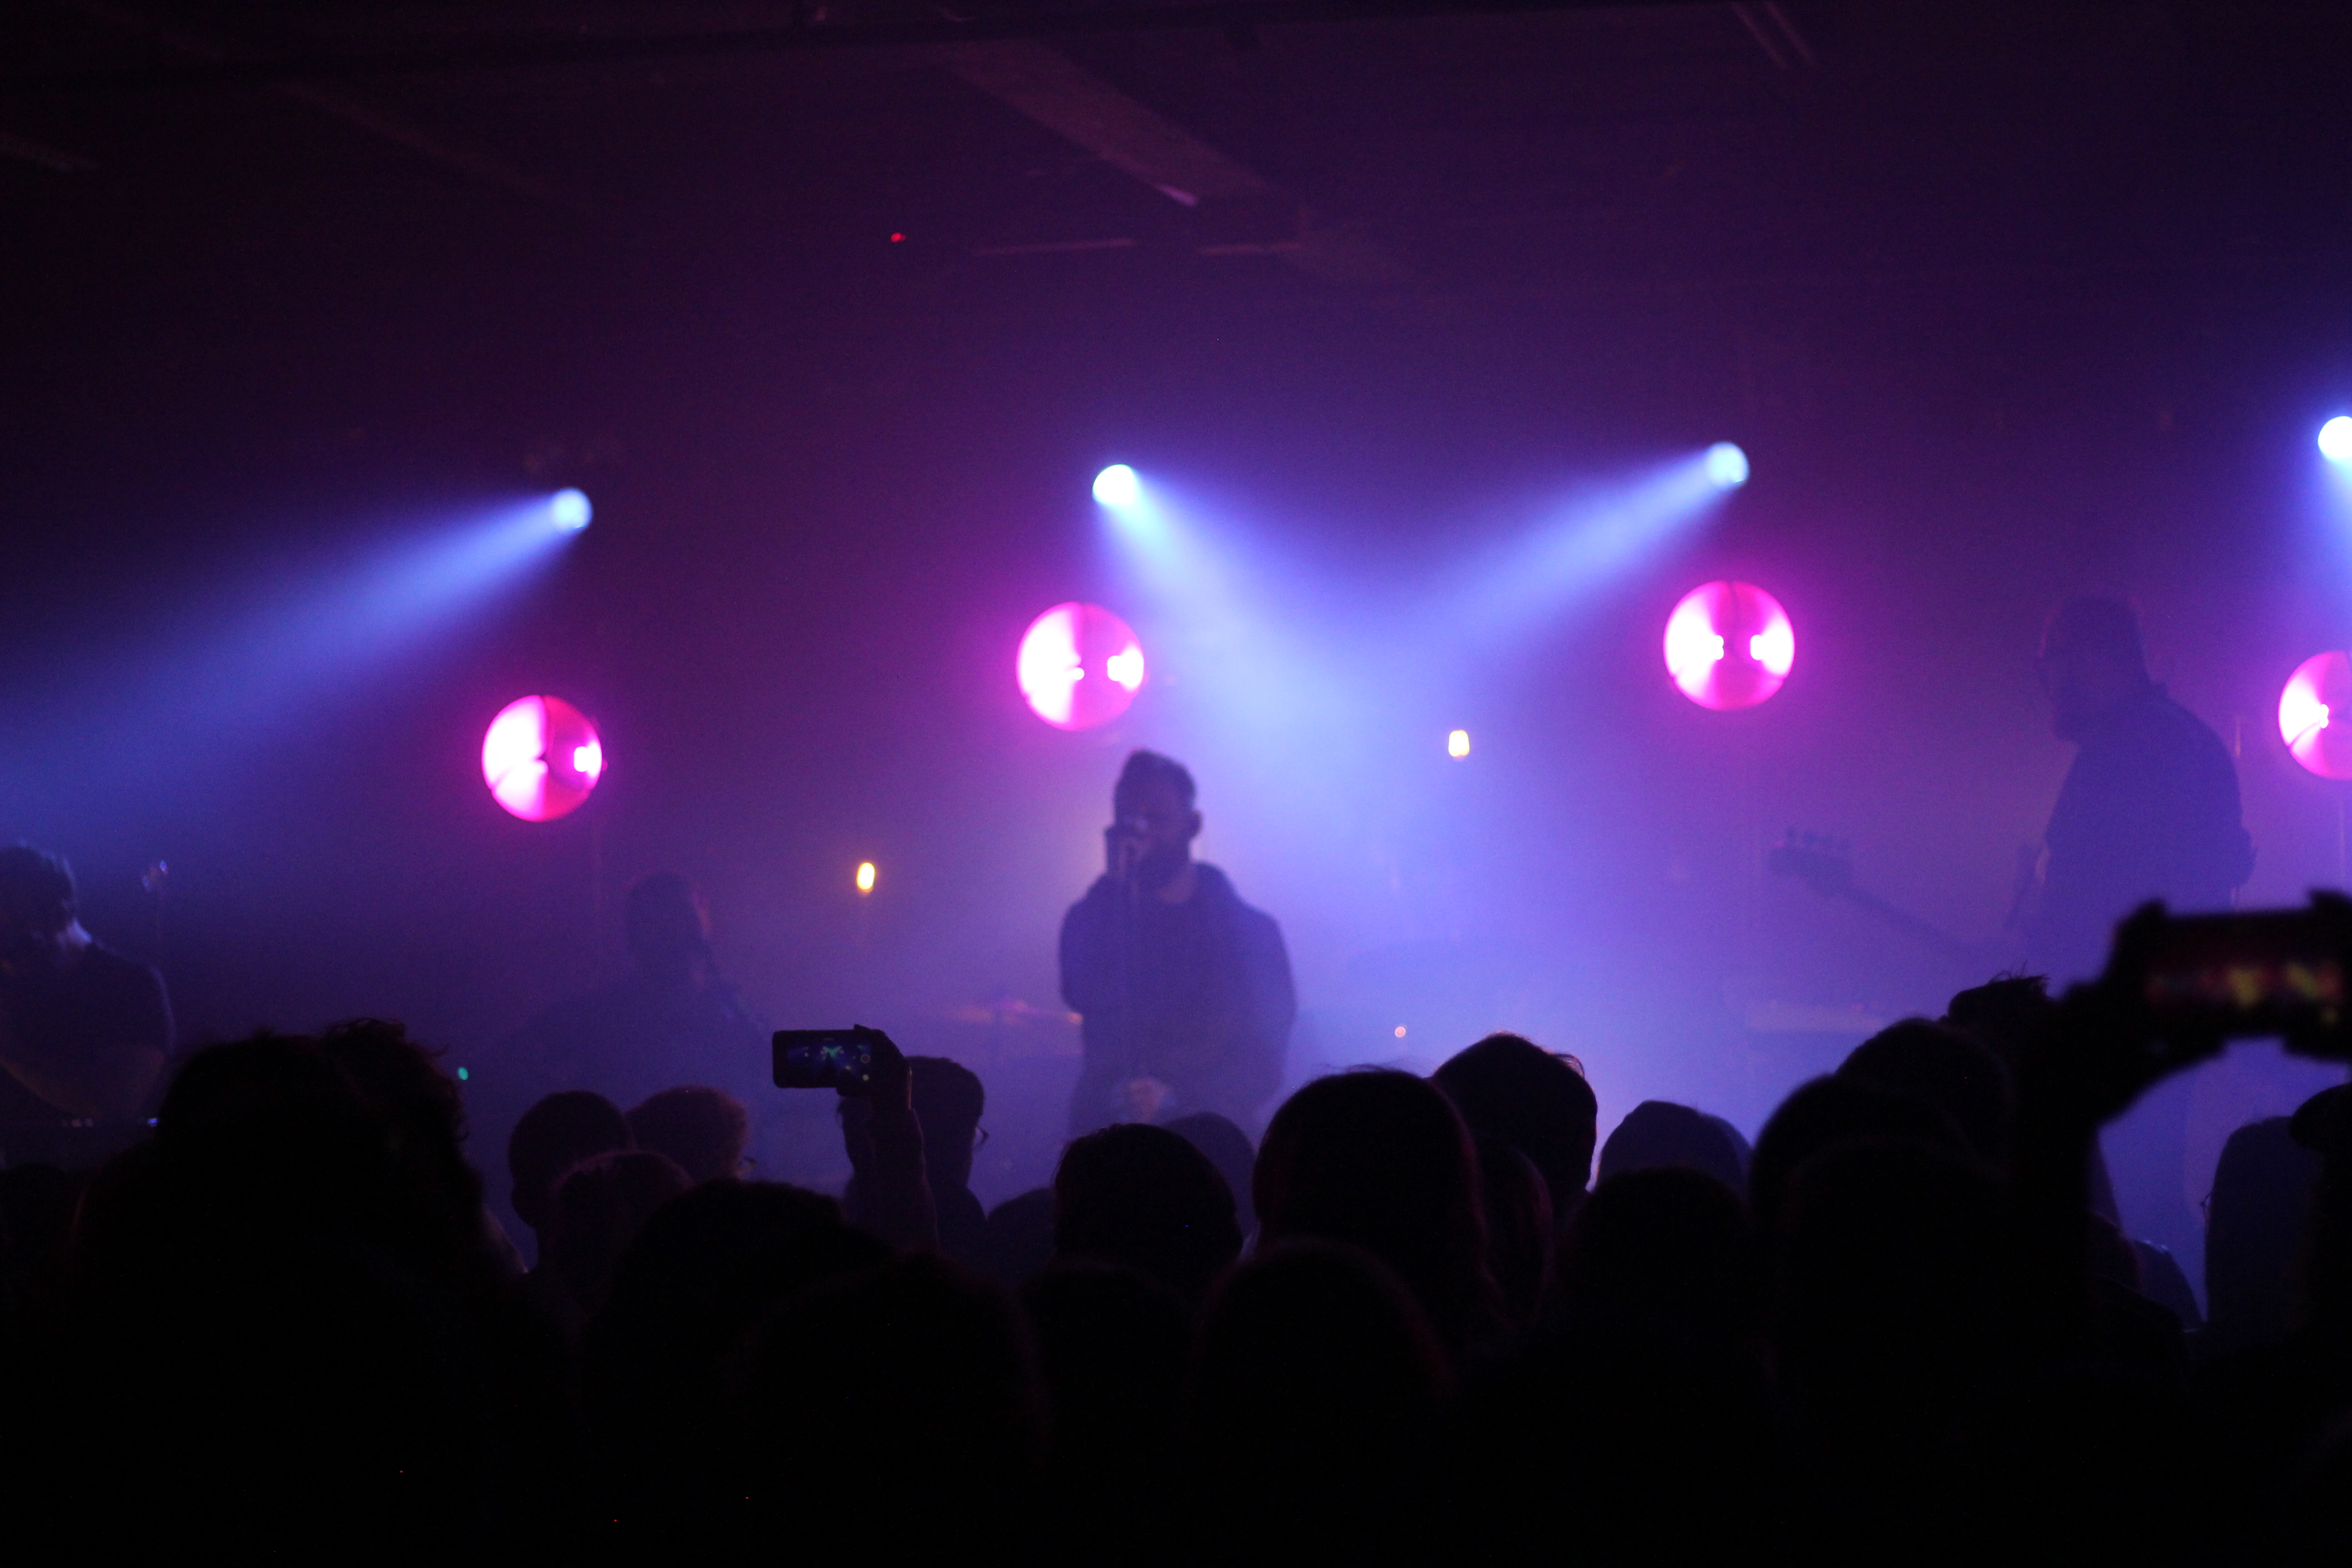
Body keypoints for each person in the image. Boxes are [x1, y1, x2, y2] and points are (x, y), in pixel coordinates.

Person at [1059, 751, 1295, 1134]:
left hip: (1209, 1141)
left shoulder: (1250, 934)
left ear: (1192, 825)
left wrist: (1179, 1097)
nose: (1140, 834)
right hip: (1109, 1137)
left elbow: (1264, 1058)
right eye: (1128, 820)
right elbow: (1081, 991)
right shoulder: (1096, 917)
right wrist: (1112, 887)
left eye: (1155, 818)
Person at [2029, 598, 2253, 983]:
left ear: (2095, 658)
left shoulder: (2140, 746)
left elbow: (2101, 902)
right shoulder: (2173, 737)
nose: (2050, 683)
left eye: (2055, 662)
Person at [505, 872, 769, 1115]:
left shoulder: (732, 1014)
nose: (682, 935)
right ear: (637, 936)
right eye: (668, 924)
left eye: (688, 923)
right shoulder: (594, 1020)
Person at [0, 845, 171, 1129]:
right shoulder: (12, 980)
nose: (6, 951)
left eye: (15, 928)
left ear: (60, 912)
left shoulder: (132, 987)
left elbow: (117, 1103)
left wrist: (9, 1051)